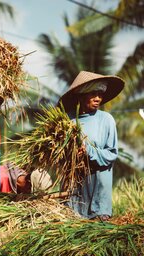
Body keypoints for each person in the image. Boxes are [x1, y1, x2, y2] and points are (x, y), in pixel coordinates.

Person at [58, 71, 125, 221]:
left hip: (98, 193)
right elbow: (58, 154)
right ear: (81, 95)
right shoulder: (67, 122)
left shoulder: (106, 120)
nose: (98, 98)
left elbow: (111, 154)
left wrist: (89, 151)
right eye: (93, 94)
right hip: (73, 192)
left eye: (100, 94)